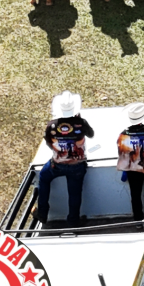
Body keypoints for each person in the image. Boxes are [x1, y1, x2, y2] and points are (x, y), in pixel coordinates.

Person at [36, 92, 95, 227]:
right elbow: (91, 134)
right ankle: (73, 222)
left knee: (44, 179)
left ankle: (43, 212)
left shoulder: (51, 125)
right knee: (74, 194)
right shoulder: (81, 123)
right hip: (77, 165)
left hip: (57, 164)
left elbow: (48, 142)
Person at [116, 103, 144, 219]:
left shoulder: (123, 134)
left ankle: (138, 219)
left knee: (135, 194)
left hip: (131, 168)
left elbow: (122, 152)